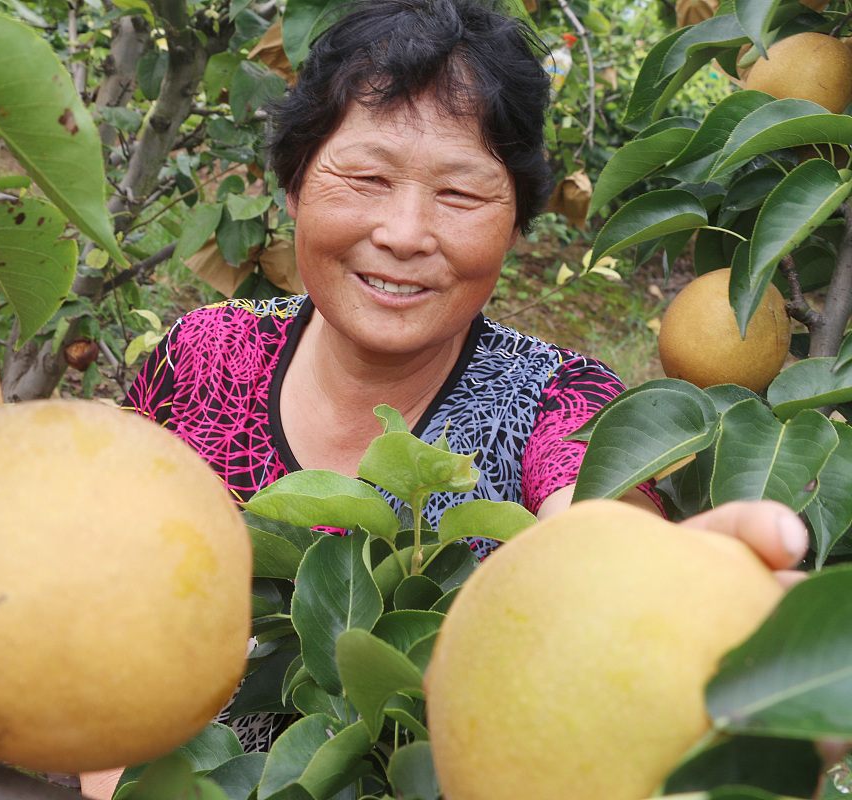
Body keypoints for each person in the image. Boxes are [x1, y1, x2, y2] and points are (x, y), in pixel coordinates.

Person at [84, 0, 809, 793]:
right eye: (364, 178)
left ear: (517, 223)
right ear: (293, 187)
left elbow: (596, 534)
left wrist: (680, 603)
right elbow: (111, 607)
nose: (403, 232)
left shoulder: (554, 400)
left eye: (460, 195)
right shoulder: (205, 356)